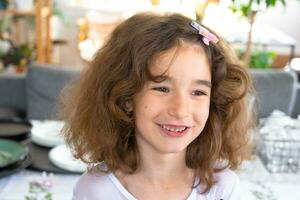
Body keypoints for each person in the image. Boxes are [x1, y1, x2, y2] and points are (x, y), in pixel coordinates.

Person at [61, 12, 254, 200]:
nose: (180, 110)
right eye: (161, 88)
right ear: (126, 97)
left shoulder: (223, 189)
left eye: (198, 92)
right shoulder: (95, 191)